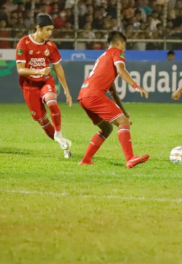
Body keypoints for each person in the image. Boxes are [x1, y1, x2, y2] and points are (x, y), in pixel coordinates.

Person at [78, 31, 151, 168]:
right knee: (123, 122)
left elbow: (112, 91)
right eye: (124, 45)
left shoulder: (102, 57)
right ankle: (130, 158)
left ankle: (86, 160)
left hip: (83, 96)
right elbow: (121, 70)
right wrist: (136, 86)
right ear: (119, 43)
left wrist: (123, 111)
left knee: (106, 128)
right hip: (94, 95)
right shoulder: (117, 52)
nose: (124, 48)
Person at [15, 14, 73, 158]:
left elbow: (58, 67)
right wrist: (38, 70)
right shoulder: (24, 43)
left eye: (51, 30)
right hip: (29, 86)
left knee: (52, 103)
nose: (49, 33)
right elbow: (20, 70)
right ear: (38, 27)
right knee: (42, 120)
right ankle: (62, 142)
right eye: (47, 30)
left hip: (45, 81)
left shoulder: (51, 46)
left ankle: (58, 134)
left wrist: (66, 89)